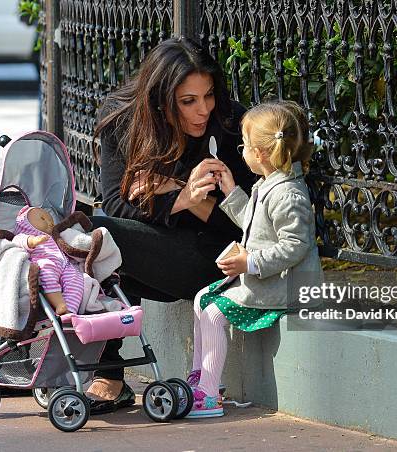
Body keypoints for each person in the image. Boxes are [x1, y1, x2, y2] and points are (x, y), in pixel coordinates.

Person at [85, 37, 257, 414]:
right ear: (161, 100)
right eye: (188, 101)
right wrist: (183, 197)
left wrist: (184, 197)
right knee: (97, 233)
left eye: (208, 95)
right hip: (154, 254)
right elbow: (116, 203)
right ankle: (105, 369)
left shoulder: (228, 124)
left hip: (215, 263)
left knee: (104, 236)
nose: (203, 111)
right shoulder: (122, 118)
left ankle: (108, 372)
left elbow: (242, 231)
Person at [185, 100, 324, 418]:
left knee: (214, 315)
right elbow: (256, 223)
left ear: (260, 153)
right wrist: (232, 190)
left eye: (244, 145)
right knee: (201, 299)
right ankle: (202, 379)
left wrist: (251, 262)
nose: (242, 150)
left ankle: (208, 396)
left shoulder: (289, 194)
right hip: (263, 279)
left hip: (283, 288)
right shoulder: (268, 185)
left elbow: (295, 246)